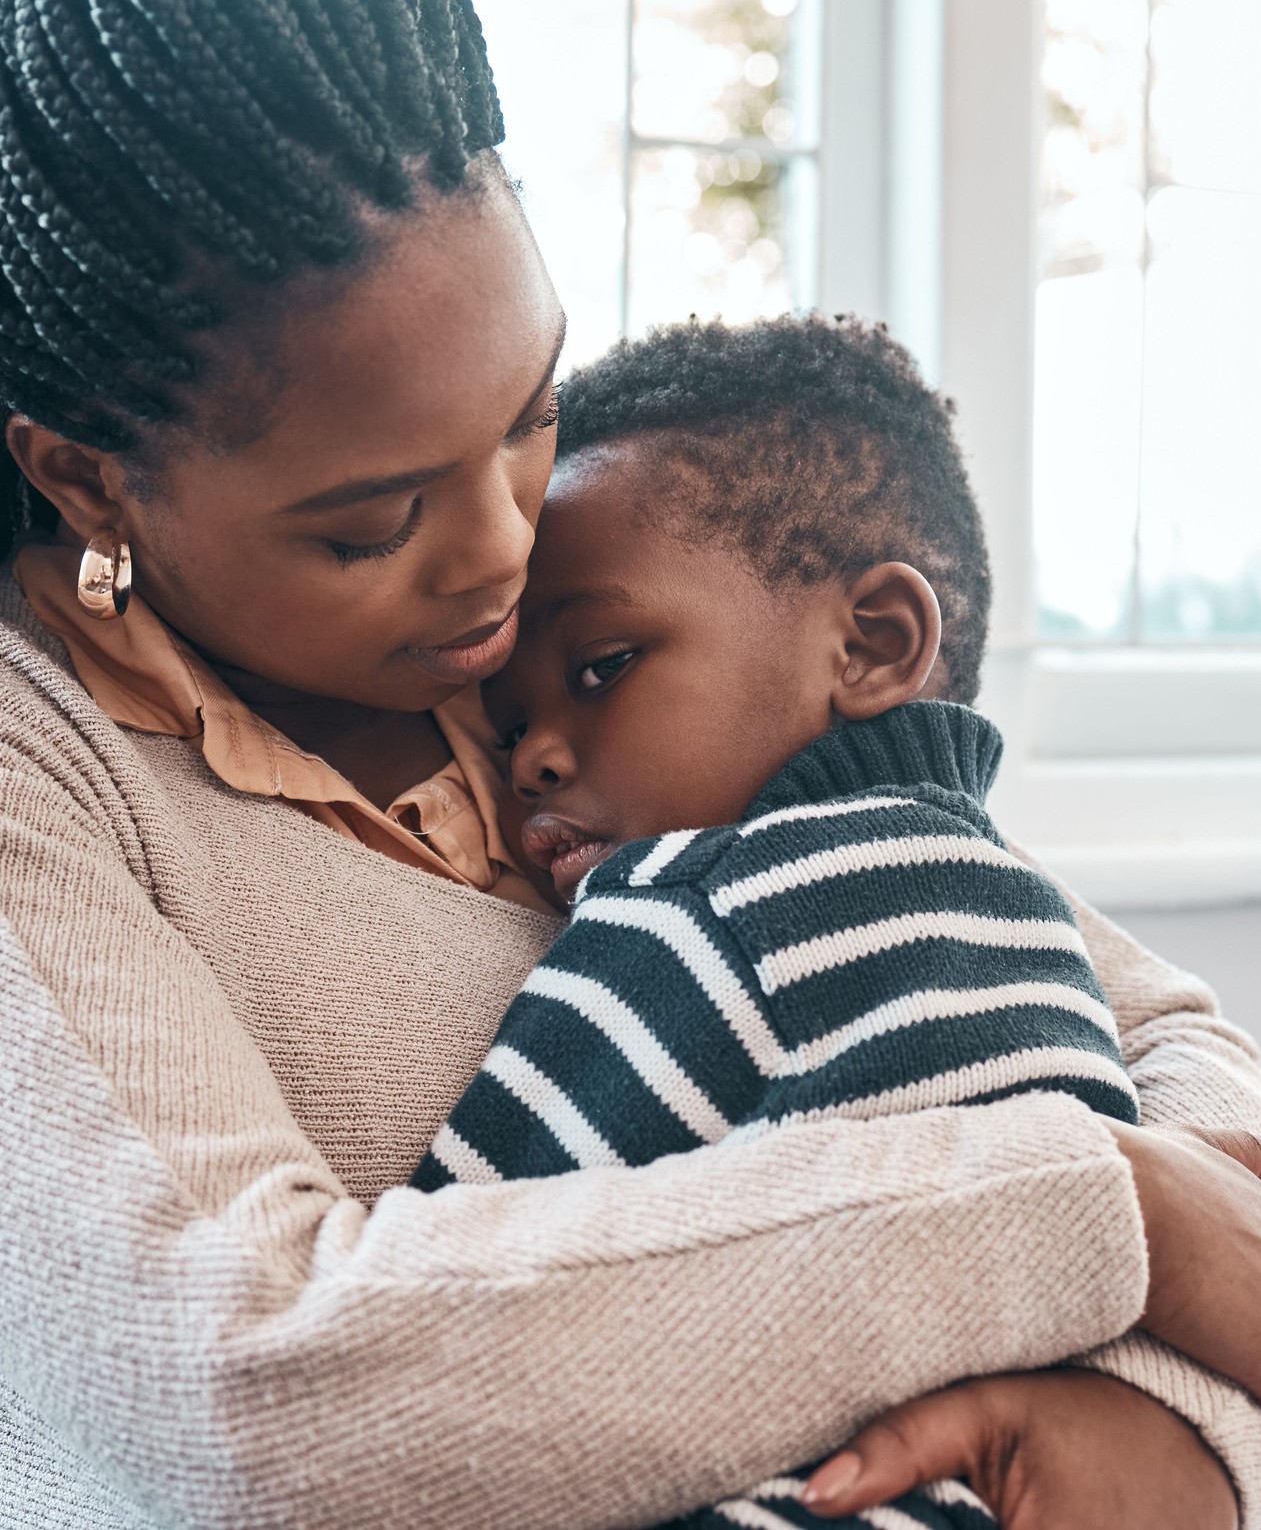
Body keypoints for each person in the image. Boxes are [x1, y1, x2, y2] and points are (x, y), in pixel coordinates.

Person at [0, 0, 1261, 1526]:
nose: (498, 553)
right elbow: (255, 1394)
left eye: (528, 416)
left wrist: (1176, 1433)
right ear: (88, 476)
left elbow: (1142, 1031)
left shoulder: (558, 650)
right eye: (371, 520)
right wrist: (1089, 1212)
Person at [415, 313, 1145, 1528]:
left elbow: (448, 1292)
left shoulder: (698, 910)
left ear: (872, 644)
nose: (533, 757)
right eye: (510, 725)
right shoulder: (1029, 914)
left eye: (602, 664)